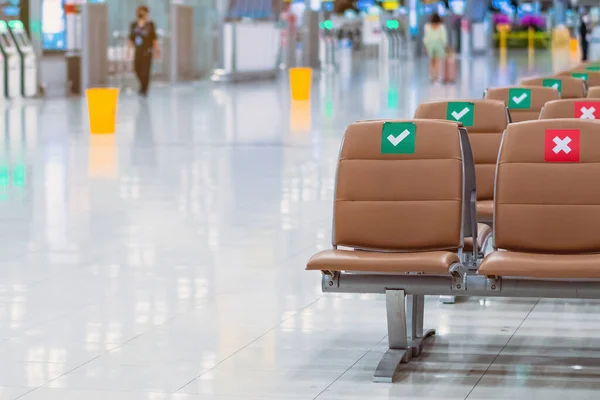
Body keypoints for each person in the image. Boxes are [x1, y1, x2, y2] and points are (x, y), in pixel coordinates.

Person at [128, 5, 160, 96]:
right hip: (138, 51)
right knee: (137, 69)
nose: (141, 14)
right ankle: (142, 85)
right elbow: (131, 38)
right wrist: (129, 51)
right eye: (139, 12)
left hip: (147, 51)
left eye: (143, 12)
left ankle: (144, 89)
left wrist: (157, 50)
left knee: (146, 71)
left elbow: (154, 39)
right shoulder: (133, 25)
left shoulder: (150, 25)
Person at [423, 13, 448, 83]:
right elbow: (443, 38)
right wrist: (445, 46)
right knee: (437, 62)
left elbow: (426, 37)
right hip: (438, 44)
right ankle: (436, 77)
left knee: (432, 62)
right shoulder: (441, 27)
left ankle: (431, 76)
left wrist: (425, 46)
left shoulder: (427, 26)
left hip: (430, 45)